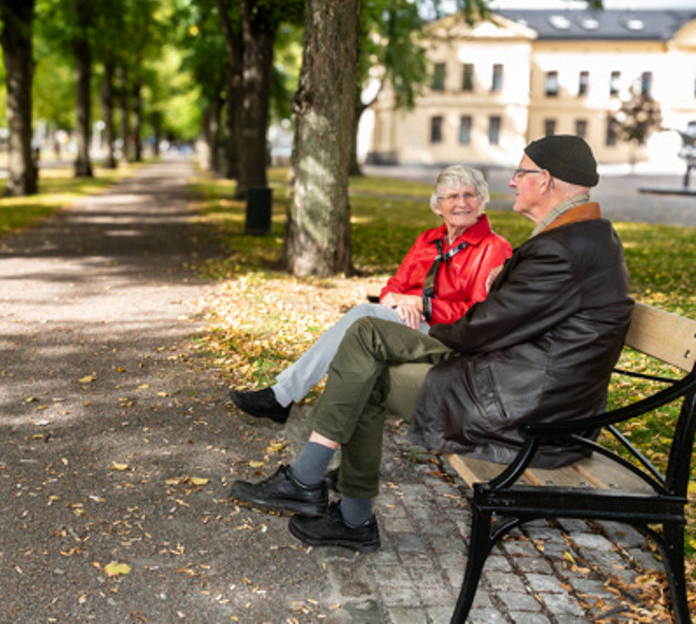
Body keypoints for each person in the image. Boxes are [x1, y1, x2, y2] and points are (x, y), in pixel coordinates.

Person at [230, 135, 633, 552]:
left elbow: (483, 329)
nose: (513, 182)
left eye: (520, 172)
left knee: (367, 336)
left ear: (545, 180)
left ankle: (310, 484)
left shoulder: (563, 248)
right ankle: (345, 513)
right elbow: (514, 319)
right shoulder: (582, 239)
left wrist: (418, 328)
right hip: (522, 388)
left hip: (524, 411)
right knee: (366, 352)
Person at [231, 165, 513, 424]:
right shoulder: (428, 240)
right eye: (452, 196)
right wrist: (397, 301)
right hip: (407, 322)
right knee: (362, 326)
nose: (461, 203)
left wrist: (424, 305)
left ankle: (283, 398)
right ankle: (302, 410)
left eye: (469, 195)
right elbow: (393, 286)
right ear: (438, 206)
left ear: (481, 200)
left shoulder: (495, 248)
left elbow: (481, 314)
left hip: (447, 334)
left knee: (363, 317)